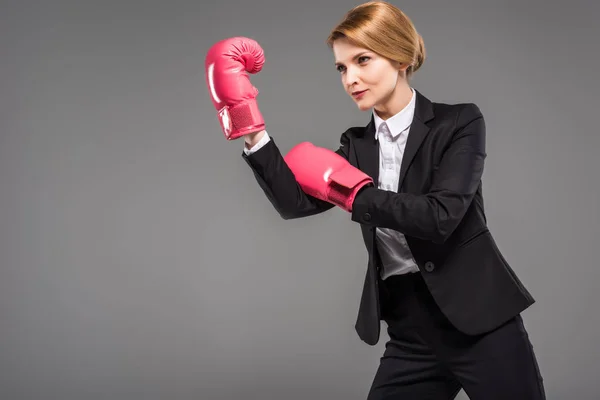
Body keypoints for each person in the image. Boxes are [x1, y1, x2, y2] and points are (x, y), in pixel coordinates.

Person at [204, 1, 546, 398]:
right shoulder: (356, 144)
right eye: (342, 68)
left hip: (481, 321)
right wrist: (247, 123)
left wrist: (355, 193)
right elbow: (295, 204)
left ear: (399, 56)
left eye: (363, 60)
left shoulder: (459, 123)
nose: (351, 78)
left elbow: (442, 216)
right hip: (410, 328)